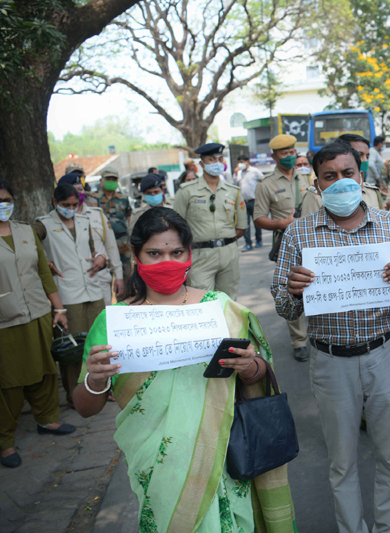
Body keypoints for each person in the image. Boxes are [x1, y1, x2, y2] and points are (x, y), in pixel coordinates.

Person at [73, 207, 297, 531]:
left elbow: (259, 373)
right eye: (154, 253)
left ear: (190, 254)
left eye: (176, 252)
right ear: (136, 256)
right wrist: (95, 379)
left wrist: (249, 368)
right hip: (159, 464)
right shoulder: (115, 323)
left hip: (223, 454)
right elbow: (84, 407)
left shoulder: (220, 308)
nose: (167, 261)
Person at [271, 141, 390, 533]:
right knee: (341, 461)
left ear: (362, 177)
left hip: (384, 354)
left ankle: (388, 526)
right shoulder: (298, 235)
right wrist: (292, 292)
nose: (341, 182)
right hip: (329, 361)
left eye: (348, 174)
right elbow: (283, 306)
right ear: (317, 183)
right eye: (330, 176)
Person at [0, 179, 76, 469]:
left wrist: (59, 308)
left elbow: (43, 272)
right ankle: (5, 441)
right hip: (5, 319)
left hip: (38, 312)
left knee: (45, 369)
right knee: (9, 380)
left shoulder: (25, 231)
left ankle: (47, 420)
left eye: (7, 199)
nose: (3, 205)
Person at [35, 184, 107, 409]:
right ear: (55, 202)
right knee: (73, 349)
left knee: (100, 342)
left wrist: (100, 259)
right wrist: (44, 262)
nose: (70, 209)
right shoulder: (43, 225)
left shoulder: (84, 221)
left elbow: (95, 250)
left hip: (92, 288)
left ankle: (104, 388)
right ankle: (74, 394)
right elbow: (30, 251)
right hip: (67, 292)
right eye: (65, 205)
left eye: (75, 205)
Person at [254, 135, 309, 362]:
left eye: (292, 151)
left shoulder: (307, 176)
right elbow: (258, 218)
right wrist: (280, 224)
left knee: (316, 286)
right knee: (293, 289)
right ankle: (299, 341)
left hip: (314, 241)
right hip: (287, 243)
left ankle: (320, 333)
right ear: (274, 156)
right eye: (284, 153)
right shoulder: (266, 184)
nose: (290, 156)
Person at [173, 143, 247, 300]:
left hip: (229, 253)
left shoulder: (233, 191)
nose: (217, 163)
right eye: (211, 159)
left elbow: (241, 228)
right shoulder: (186, 191)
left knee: (229, 301)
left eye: (220, 159)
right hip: (200, 254)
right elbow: (176, 228)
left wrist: (226, 242)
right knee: (201, 301)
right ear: (202, 164)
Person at [59, 173, 124, 305]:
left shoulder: (97, 214)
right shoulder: (55, 220)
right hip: (71, 285)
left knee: (103, 321)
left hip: (100, 280)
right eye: (74, 190)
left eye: (81, 189)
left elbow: (110, 246)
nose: (78, 193)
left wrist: (119, 276)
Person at [300, 134, 383, 217]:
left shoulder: (372, 192)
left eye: (367, 156)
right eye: (359, 155)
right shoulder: (315, 196)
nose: (365, 160)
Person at [90, 168, 132, 282]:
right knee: (104, 275)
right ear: (101, 181)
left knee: (126, 275)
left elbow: (128, 217)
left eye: (114, 179)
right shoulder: (94, 199)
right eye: (108, 179)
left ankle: (125, 298)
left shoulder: (123, 198)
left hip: (122, 242)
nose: (111, 181)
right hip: (102, 244)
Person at [234, 154, 264, 252]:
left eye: (242, 161)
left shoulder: (254, 171)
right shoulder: (239, 173)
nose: (240, 164)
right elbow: (234, 185)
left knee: (257, 222)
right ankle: (248, 243)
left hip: (254, 200)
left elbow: (263, 181)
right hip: (243, 202)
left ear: (247, 162)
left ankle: (259, 240)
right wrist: (235, 174)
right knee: (244, 224)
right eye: (239, 162)